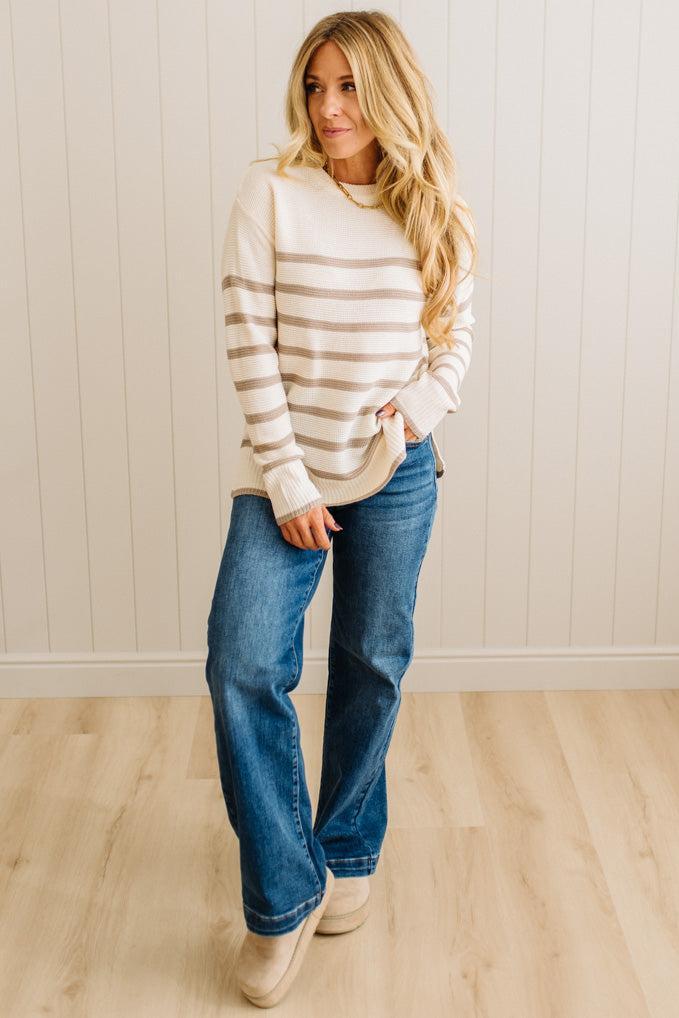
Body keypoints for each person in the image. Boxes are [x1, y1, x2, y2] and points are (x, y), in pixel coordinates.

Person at [205, 9, 478, 1008]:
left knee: (370, 658)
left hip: (396, 470)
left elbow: (454, 333)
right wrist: (287, 480)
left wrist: (416, 407)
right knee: (243, 660)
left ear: (387, 93)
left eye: (348, 87)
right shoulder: (270, 194)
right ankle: (283, 899)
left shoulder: (429, 201)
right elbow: (248, 342)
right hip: (288, 470)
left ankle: (346, 842)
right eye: (315, 86)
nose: (327, 107)